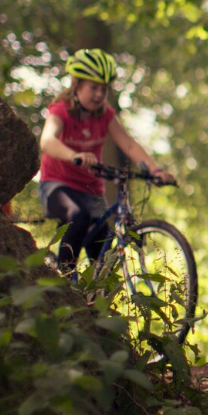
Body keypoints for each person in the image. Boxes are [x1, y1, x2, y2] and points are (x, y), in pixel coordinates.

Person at [37, 48, 173, 272]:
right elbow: (47, 141)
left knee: (102, 247)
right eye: (94, 87)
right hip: (57, 186)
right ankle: (62, 280)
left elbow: (129, 144)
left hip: (90, 190)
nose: (100, 94)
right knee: (77, 217)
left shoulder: (105, 115)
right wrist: (74, 156)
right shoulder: (62, 110)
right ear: (77, 84)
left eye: (104, 89)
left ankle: (97, 297)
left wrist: (154, 170)